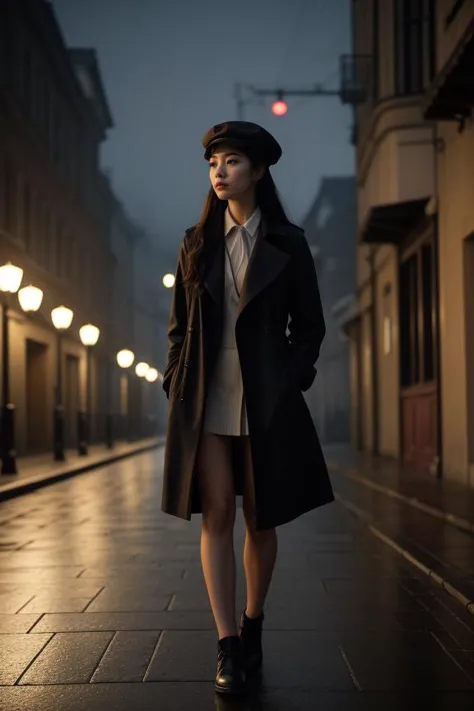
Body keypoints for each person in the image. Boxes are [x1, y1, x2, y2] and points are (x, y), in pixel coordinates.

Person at [161, 121, 334, 695]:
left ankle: (252, 625)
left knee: (262, 516)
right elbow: (179, 329)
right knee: (216, 515)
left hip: (266, 396)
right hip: (207, 397)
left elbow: (310, 326)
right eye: (213, 162)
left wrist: (292, 379)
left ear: (258, 171)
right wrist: (175, 379)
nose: (219, 172)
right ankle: (227, 646)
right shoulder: (195, 243)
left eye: (232, 161)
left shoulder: (288, 241)